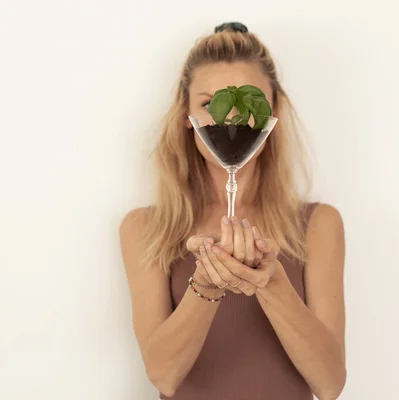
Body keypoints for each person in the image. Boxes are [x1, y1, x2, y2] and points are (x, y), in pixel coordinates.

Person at [119, 22, 346, 400]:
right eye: (210, 104)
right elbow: (163, 376)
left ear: (271, 112)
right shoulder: (145, 228)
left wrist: (272, 284)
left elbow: (329, 384)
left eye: (249, 101)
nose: (230, 120)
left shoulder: (318, 224)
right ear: (185, 117)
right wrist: (205, 286)